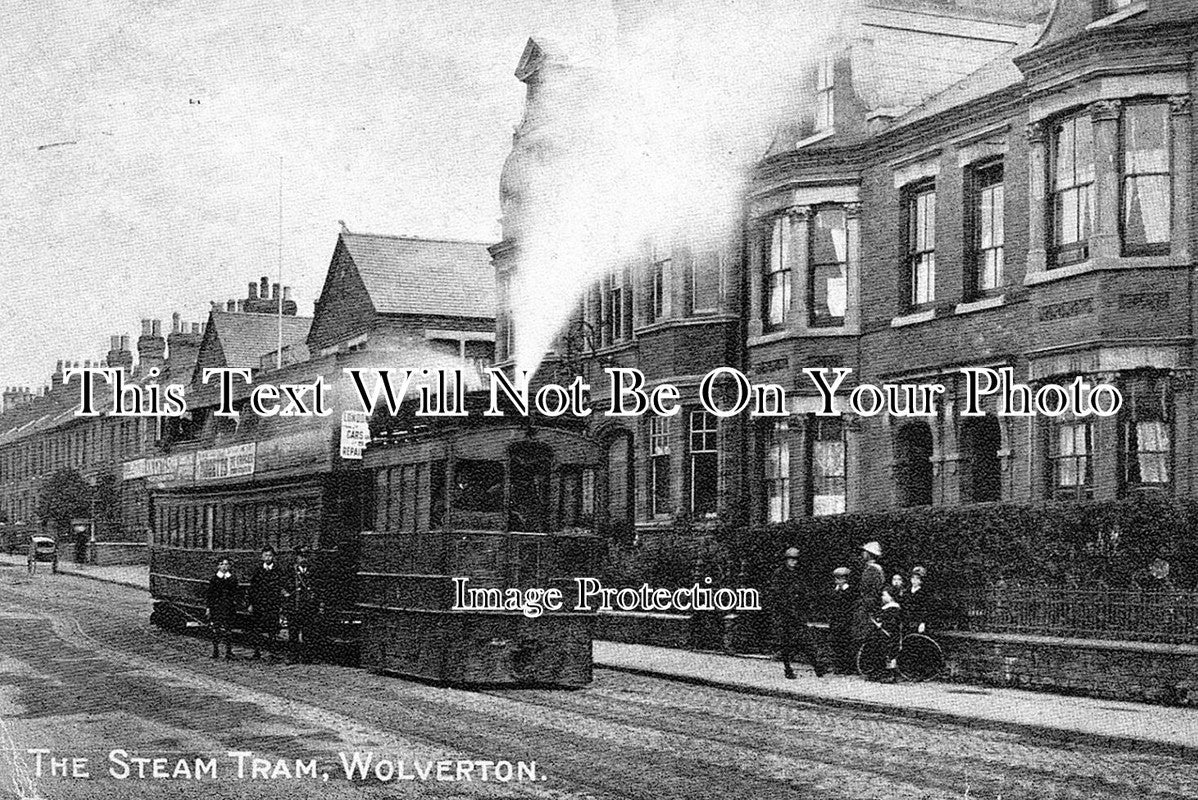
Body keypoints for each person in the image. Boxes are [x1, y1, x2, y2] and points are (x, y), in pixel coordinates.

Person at [769, 546, 826, 679]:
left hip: (798, 613)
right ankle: (788, 668)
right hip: (785, 614)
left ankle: (817, 666)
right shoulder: (780, 574)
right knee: (787, 643)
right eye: (791, 559)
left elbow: (804, 591)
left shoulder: (799, 574)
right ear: (786, 560)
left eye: (796, 559)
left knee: (805, 641)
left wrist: (806, 605)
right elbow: (776, 595)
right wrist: (782, 611)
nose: (794, 562)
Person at [284, 549, 322, 664]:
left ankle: (308, 657)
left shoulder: (313, 571)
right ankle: (293, 656)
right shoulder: (291, 571)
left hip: (308, 607)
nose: (304, 559)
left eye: (306, 556)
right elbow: (284, 586)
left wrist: (317, 603)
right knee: (293, 632)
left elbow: (317, 587)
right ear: (297, 558)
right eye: (301, 556)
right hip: (294, 606)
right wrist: (287, 596)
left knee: (308, 632)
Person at [248, 546, 284, 660]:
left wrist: (281, 604)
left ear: (273, 557)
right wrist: (251, 603)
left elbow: (281, 587)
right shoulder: (257, 571)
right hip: (259, 603)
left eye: (270, 555)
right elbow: (252, 588)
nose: (268, 558)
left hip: (273, 603)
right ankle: (257, 651)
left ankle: (272, 651)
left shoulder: (278, 570)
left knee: (272, 628)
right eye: (266, 555)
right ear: (262, 557)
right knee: (257, 627)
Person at [205, 557, 241, 660]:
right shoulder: (214, 579)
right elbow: (210, 595)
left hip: (228, 607)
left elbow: (236, 592)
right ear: (218, 566)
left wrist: (235, 603)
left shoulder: (232, 578)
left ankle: (229, 651)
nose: (224, 566)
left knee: (228, 629)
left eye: (226, 564)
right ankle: (215, 651)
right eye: (222, 564)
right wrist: (208, 608)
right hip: (216, 607)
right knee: (215, 629)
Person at [852, 541, 886, 646]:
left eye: (865, 552)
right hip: (868, 604)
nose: (863, 554)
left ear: (869, 554)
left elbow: (873, 591)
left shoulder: (872, 570)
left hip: (868, 606)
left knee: (864, 635)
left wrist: (866, 606)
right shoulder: (871, 569)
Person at [828, 566, 856, 674]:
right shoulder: (836, 591)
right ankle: (839, 666)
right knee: (836, 644)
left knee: (845, 644)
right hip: (836, 621)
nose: (836, 581)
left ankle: (846, 667)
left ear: (844, 579)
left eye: (839, 579)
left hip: (845, 622)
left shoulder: (849, 592)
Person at [873, 587, 903, 681]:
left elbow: (893, 622)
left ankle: (890, 674)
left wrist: (882, 624)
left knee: (889, 653)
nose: (882, 597)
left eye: (884, 595)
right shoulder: (886, 608)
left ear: (891, 597)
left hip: (890, 634)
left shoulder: (893, 609)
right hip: (885, 634)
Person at [905, 565, 931, 634]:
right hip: (907, 621)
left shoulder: (924, 593)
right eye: (913, 578)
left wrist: (923, 622)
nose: (914, 580)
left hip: (918, 622)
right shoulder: (907, 592)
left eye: (917, 578)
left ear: (921, 580)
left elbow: (926, 609)